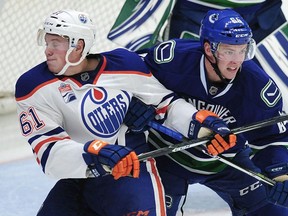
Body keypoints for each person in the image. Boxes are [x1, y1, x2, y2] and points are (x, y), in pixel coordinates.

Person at [15, 9, 237, 216]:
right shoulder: (34, 87)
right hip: (80, 176)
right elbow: (49, 152)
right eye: (47, 42)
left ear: (79, 45)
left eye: (56, 43)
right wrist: (95, 151)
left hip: (131, 170)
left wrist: (201, 123)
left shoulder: (124, 63)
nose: (48, 50)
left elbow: (166, 105)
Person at [134, 9, 288, 216]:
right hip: (165, 157)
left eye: (242, 50)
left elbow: (272, 137)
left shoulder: (258, 88)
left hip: (228, 161)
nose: (236, 61)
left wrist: (281, 175)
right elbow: (129, 74)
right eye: (228, 51)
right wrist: (131, 103)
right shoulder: (172, 59)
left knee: (274, 209)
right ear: (208, 48)